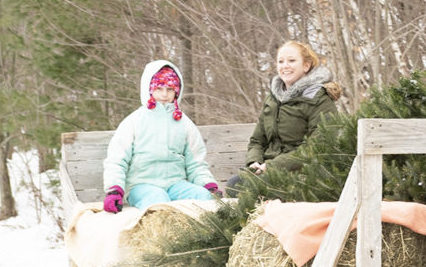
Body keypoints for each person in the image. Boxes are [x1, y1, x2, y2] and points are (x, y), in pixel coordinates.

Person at [100, 60, 220, 212]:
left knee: (205, 199)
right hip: (142, 185)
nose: (164, 94)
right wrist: (114, 190)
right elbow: (117, 160)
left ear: (177, 91)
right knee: (159, 202)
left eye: (170, 89)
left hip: (175, 184)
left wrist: (208, 186)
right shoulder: (134, 121)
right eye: (159, 88)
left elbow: (196, 163)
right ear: (149, 89)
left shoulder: (184, 123)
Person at [242, 39, 343, 179]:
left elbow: (320, 146)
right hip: (267, 169)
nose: (285, 66)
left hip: (303, 174)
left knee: (246, 188)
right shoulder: (272, 99)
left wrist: (274, 165)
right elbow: (257, 141)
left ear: (306, 66)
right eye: (281, 61)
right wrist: (254, 161)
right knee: (235, 185)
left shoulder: (320, 99)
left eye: (291, 60)